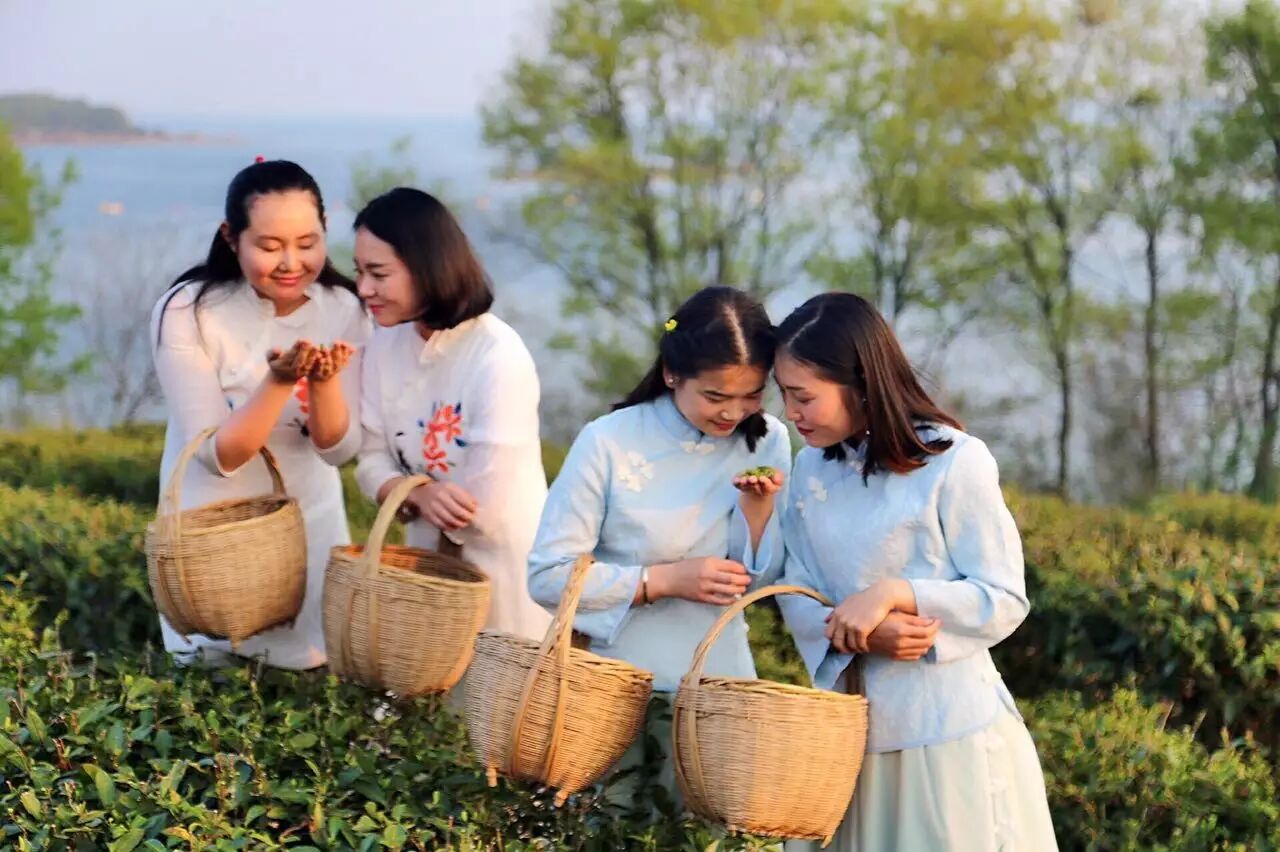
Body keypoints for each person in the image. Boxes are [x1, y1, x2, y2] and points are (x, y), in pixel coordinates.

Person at [774, 292, 1056, 851]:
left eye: (803, 396)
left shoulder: (952, 460)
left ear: (860, 383)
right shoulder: (809, 471)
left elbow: (1002, 596)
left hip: (944, 734)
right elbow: (794, 586)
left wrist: (897, 593)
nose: (789, 412)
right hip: (844, 737)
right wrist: (862, 635)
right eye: (783, 393)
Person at [527, 285, 792, 813]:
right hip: (615, 689)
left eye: (752, 395)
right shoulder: (609, 440)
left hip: (719, 687)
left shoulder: (768, 441)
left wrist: (758, 512)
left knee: (713, 833)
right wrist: (661, 581)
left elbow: (763, 584)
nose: (733, 413)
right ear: (672, 373)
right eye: (715, 396)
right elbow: (548, 575)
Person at [150, 159, 370, 670]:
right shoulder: (188, 310)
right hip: (213, 540)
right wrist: (279, 382)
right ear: (231, 237)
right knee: (211, 690)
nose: (291, 262)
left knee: (317, 680)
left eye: (307, 243)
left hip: (309, 529)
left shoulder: (346, 308)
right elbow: (218, 455)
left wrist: (324, 384)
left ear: (325, 230)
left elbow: (338, 450)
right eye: (269, 247)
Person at [352, 187, 549, 638]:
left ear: (427, 266)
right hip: (426, 575)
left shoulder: (497, 356)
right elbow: (369, 461)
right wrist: (418, 493)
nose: (364, 289)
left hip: (505, 573)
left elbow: (482, 510)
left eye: (378, 274)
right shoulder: (383, 345)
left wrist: (403, 493)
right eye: (359, 271)